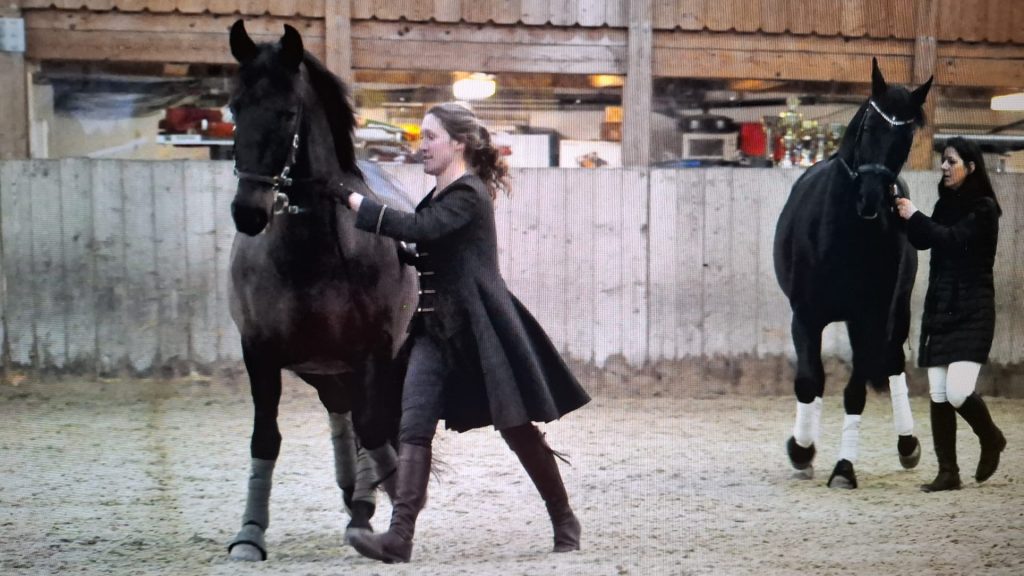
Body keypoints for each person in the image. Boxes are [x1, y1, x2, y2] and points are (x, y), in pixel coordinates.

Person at [338, 102, 591, 563]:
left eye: (430, 136)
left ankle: (564, 518)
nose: (422, 145)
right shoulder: (439, 194)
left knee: (516, 428)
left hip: (479, 328)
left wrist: (355, 201)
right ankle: (399, 537)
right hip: (435, 330)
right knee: (413, 427)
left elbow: (420, 229)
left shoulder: (469, 192)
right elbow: (431, 247)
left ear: (458, 143)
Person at [895, 137, 1007, 492]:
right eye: (943, 160)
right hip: (941, 308)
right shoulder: (945, 204)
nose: (943, 166)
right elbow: (925, 240)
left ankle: (991, 438)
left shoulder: (984, 208)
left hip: (973, 310)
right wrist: (903, 215)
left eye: (951, 161)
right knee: (939, 393)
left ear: (970, 168)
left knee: (958, 392)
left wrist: (916, 216)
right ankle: (948, 473)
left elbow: (953, 239)